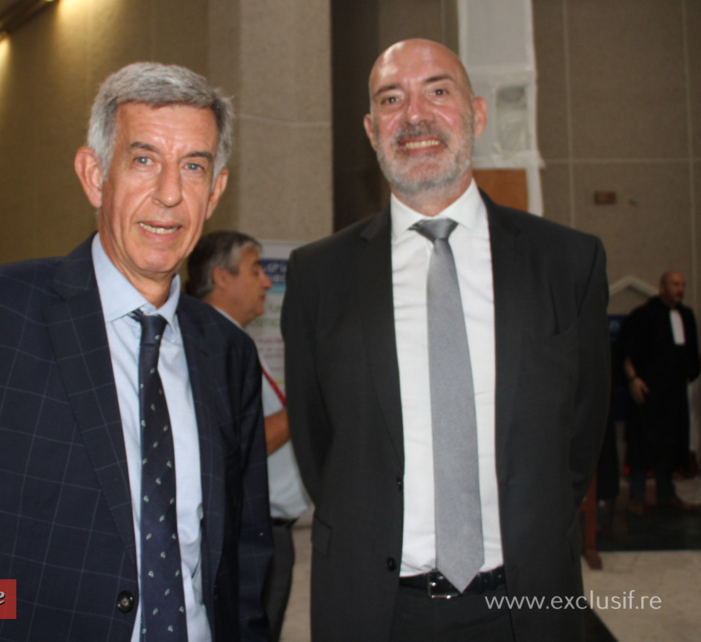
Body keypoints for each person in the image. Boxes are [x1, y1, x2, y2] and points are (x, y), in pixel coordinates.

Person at [0, 62, 272, 641]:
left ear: (216, 190)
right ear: (94, 175)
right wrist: (10, 611)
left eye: (193, 166)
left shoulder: (228, 353)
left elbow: (245, 559)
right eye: (144, 159)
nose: (170, 193)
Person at [281, 39, 610, 641]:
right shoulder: (318, 276)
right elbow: (318, 442)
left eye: (438, 91)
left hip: (529, 603)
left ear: (477, 114)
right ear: (370, 128)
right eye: (391, 99)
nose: (414, 115)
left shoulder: (568, 262)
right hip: (376, 608)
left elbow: (581, 434)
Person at [187, 230, 310, 642]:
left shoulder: (236, 341)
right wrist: (308, 404)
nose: (267, 282)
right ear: (221, 277)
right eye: (256, 269)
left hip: (271, 527)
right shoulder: (210, 343)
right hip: (253, 530)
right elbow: (242, 444)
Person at [621, 270, 700, 513]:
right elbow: (624, 351)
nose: (680, 289)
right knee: (641, 443)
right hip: (647, 392)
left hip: (674, 394)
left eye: (683, 285)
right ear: (662, 287)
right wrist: (633, 379)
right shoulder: (642, 315)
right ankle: (637, 496)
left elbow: (691, 354)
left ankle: (667, 494)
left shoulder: (686, 316)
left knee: (672, 443)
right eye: (675, 284)